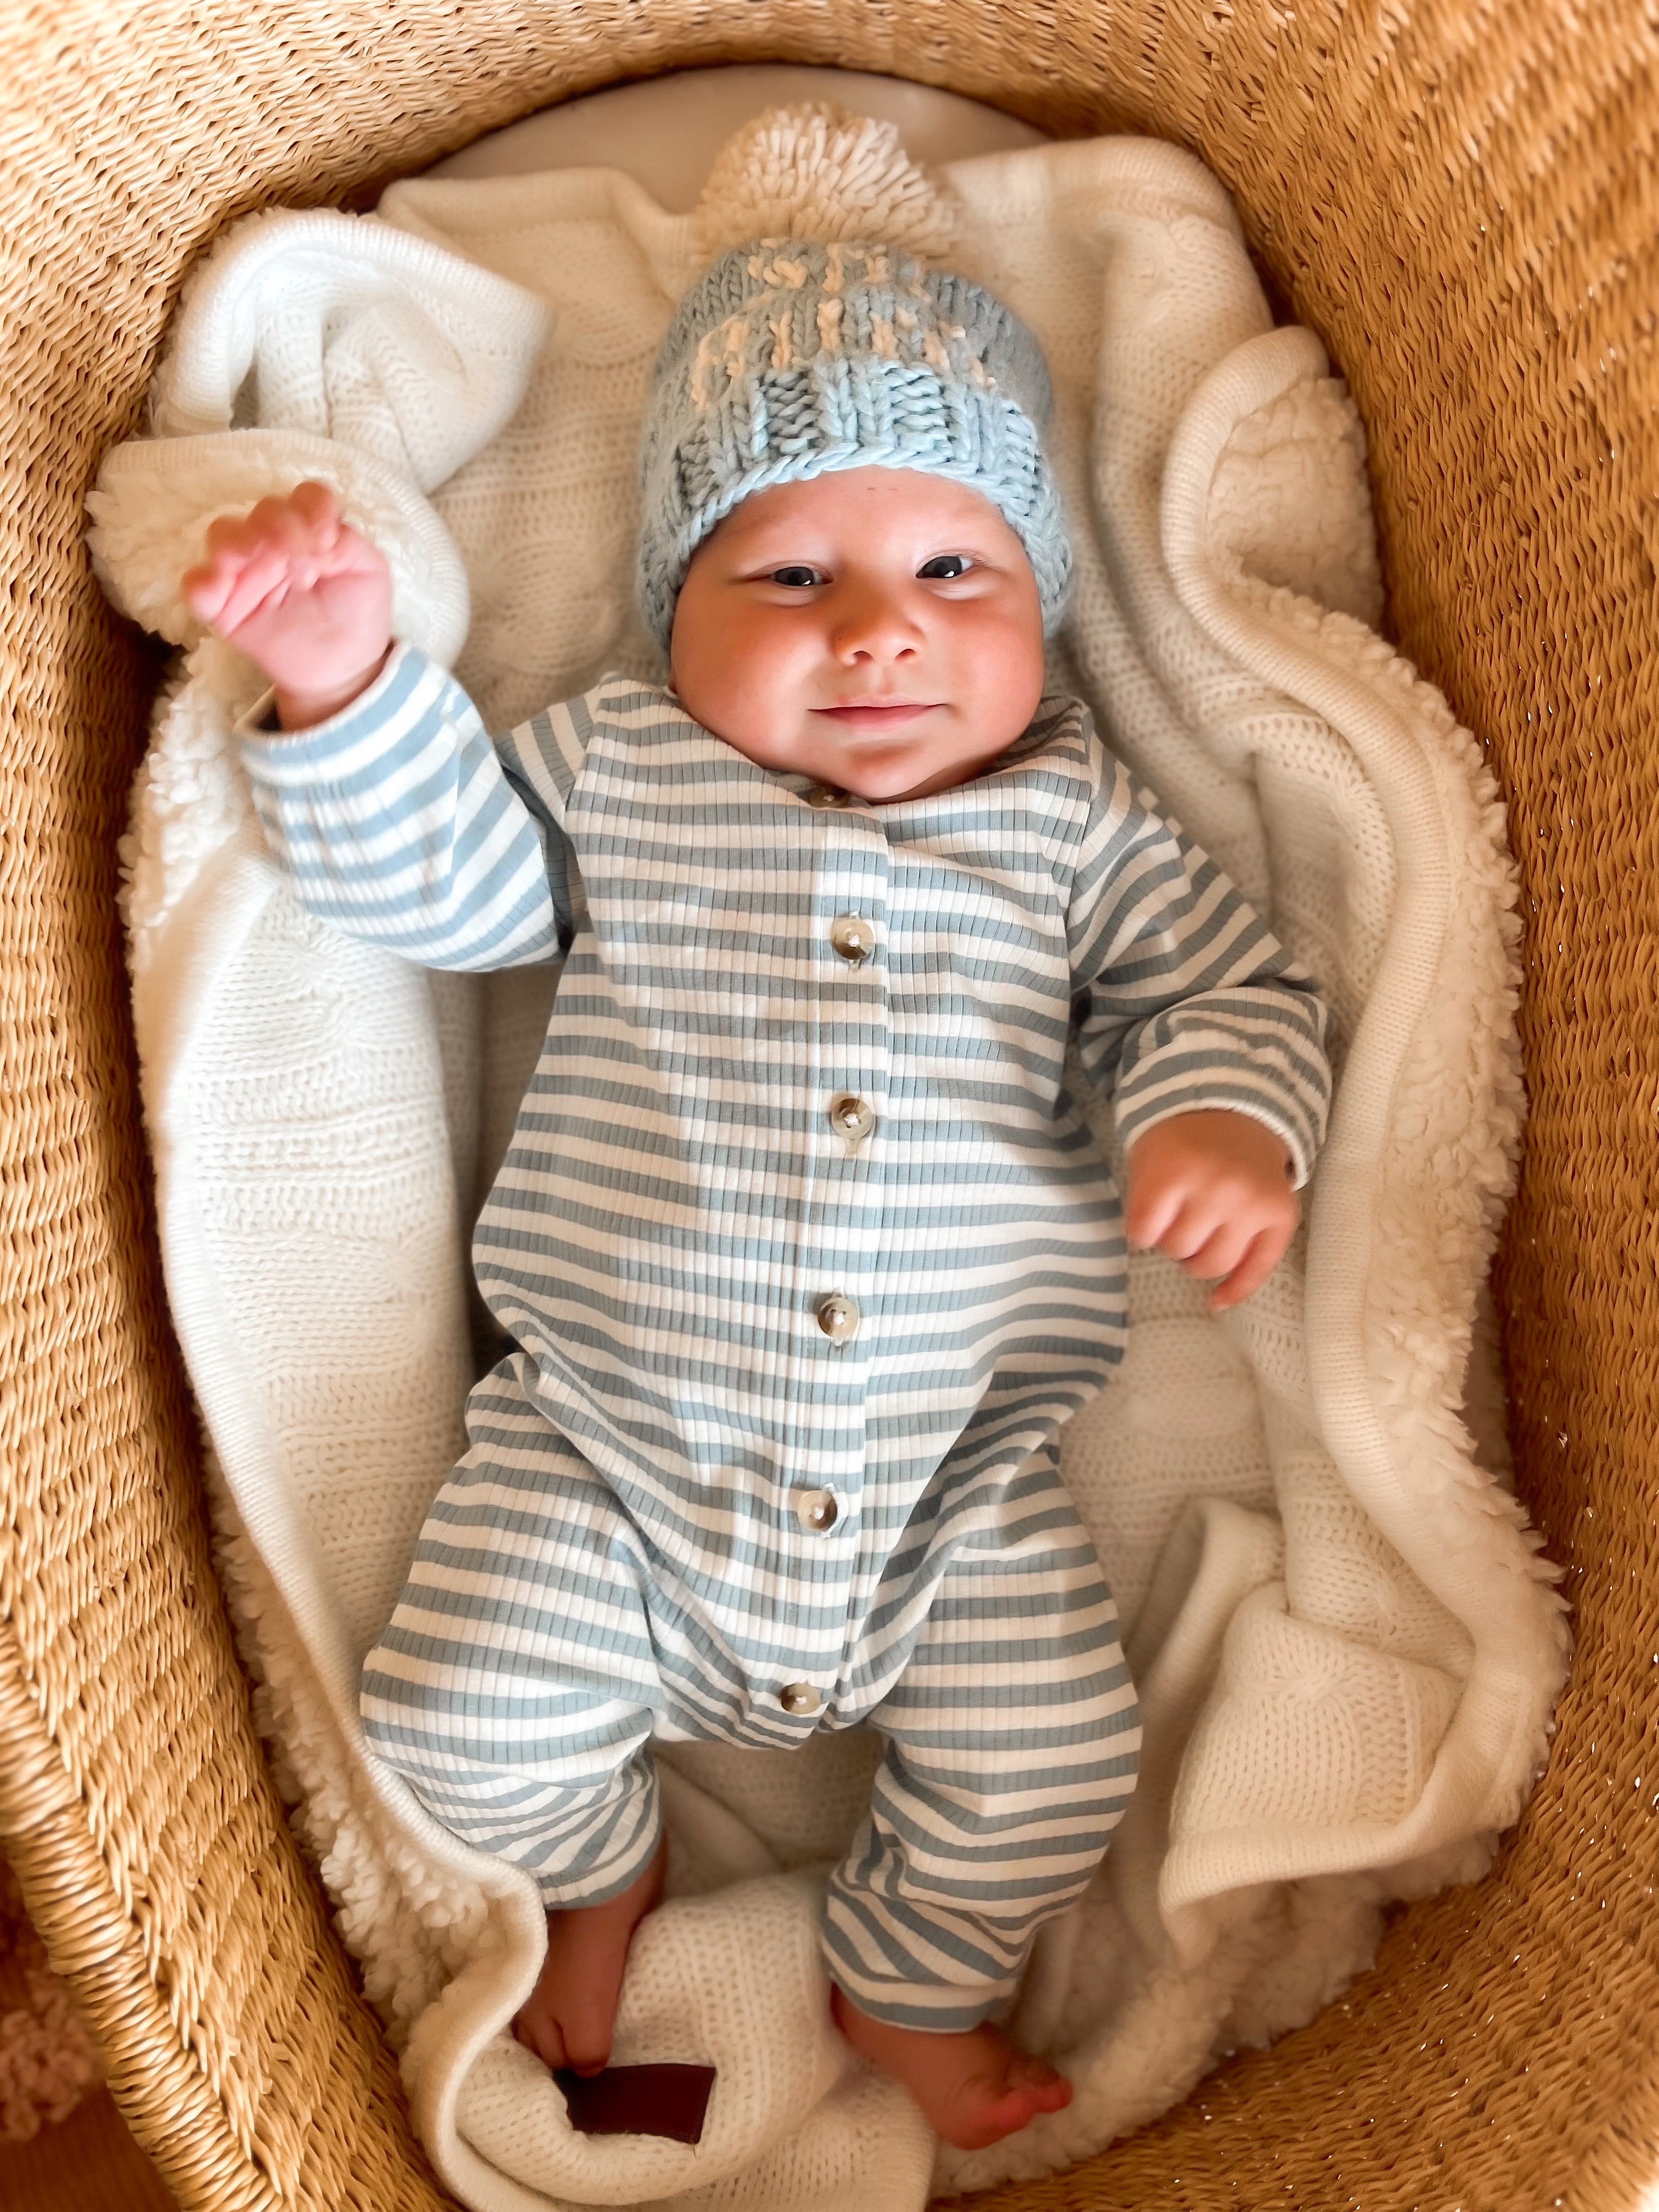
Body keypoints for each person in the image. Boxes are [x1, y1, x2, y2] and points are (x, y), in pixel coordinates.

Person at [180, 231, 1330, 2152]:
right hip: (606, 1459)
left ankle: (914, 1964)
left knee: (1053, 1764)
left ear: (1039, 597)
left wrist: (1222, 1125)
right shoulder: (627, 771)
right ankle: (593, 1861)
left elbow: (1218, 987)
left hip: (954, 1489)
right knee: (453, 1728)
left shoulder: (1070, 821)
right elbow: (451, 892)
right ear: (673, 609)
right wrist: (348, 684)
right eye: (792, 576)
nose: (878, 627)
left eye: (953, 571)